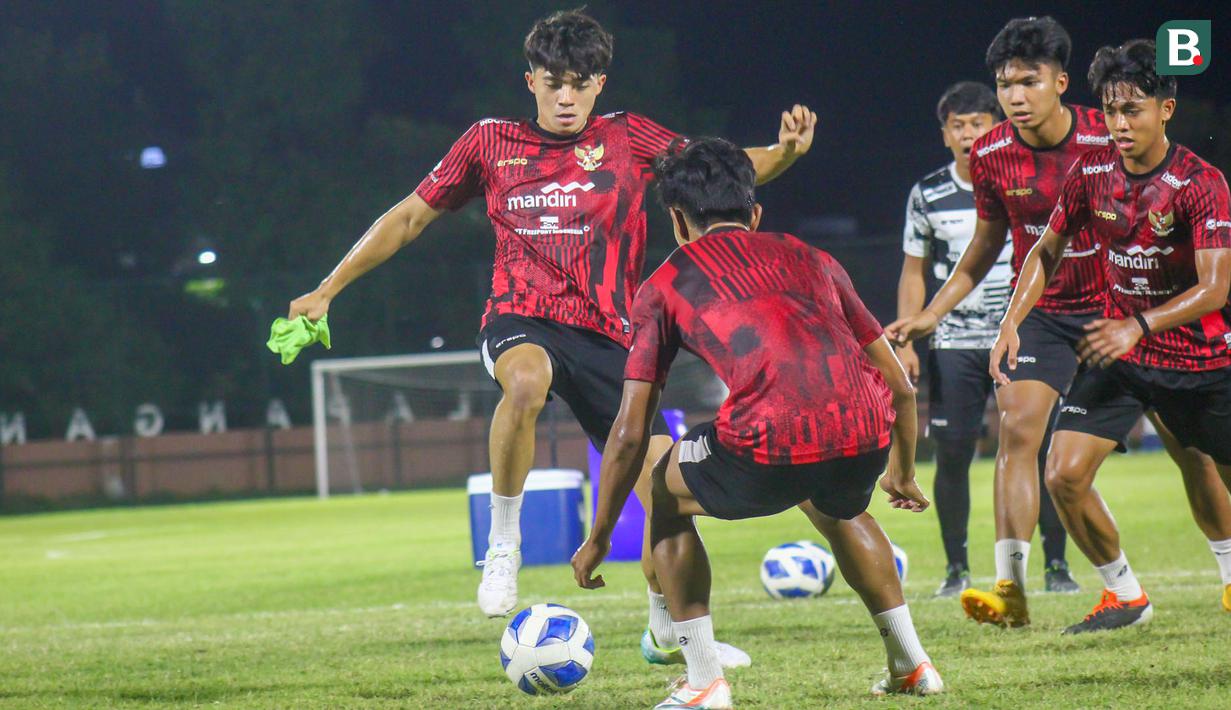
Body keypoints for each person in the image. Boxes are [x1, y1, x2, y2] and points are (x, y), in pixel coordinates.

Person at [285, 9, 815, 665]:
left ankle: (672, 633)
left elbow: (723, 174)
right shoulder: (488, 142)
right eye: (554, 81)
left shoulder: (629, 137)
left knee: (662, 491)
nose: (566, 96)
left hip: (609, 337)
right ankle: (502, 546)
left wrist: (785, 153)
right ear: (530, 79)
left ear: (599, 84)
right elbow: (409, 217)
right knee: (526, 382)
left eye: (581, 82)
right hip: (520, 319)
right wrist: (327, 287)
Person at [572, 138, 943, 709]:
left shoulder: (666, 284)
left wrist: (599, 538)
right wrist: (902, 469)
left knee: (661, 485)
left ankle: (703, 680)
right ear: (755, 212)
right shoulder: (814, 258)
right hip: (864, 430)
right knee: (839, 507)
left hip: (770, 439)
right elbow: (900, 384)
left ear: (676, 220)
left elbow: (628, 430)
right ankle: (911, 663)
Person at [886, 16, 1231, 628]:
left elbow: (1202, 263)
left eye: (1028, 82)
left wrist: (1142, 320)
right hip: (1066, 322)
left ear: (1060, 83)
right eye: (1005, 85)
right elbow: (1015, 248)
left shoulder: (1147, 153)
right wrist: (972, 318)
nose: (1015, 97)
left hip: (1139, 322)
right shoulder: (1019, 159)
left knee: (1194, 456)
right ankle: (1028, 590)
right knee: (1038, 448)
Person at [993, 39, 1231, 633]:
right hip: (1120, 353)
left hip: (1199, 359)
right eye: (1112, 110)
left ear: (1165, 110)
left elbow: (1215, 289)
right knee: (1063, 474)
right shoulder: (1091, 171)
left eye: (1134, 110)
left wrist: (1139, 324)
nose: (1120, 124)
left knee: (1203, 469)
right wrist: (1011, 322)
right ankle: (1124, 595)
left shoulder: (1200, 182)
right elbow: (1046, 249)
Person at [897, 80, 1076, 596]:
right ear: (945, 134)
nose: (969, 134)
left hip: (1025, 335)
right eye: (959, 125)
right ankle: (956, 571)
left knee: (1036, 448)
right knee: (953, 452)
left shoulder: (1024, 180)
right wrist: (909, 338)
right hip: (955, 341)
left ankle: (1056, 566)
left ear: (996, 127)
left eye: (978, 124)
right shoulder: (927, 193)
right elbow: (913, 271)